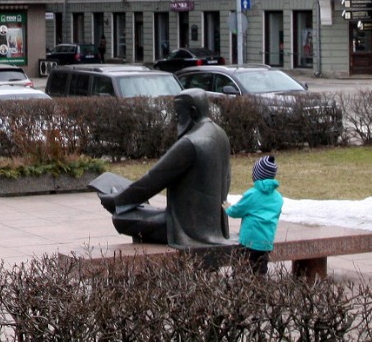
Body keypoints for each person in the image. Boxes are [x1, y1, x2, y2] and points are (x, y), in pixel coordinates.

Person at [93, 90, 235, 248]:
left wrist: (116, 200)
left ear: (192, 111)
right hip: (216, 225)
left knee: (121, 218)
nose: (176, 119)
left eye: (178, 114)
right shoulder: (220, 134)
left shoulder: (190, 143)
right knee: (137, 210)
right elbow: (227, 179)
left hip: (189, 229)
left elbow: (152, 180)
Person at [227, 154, 282, 275]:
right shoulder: (278, 198)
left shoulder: (252, 194)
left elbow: (237, 211)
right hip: (266, 242)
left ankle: (240, 289)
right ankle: (258, 290)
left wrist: (228, 209)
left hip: (249, 241)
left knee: (242, 269)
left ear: (257, 175)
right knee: (260, 270)